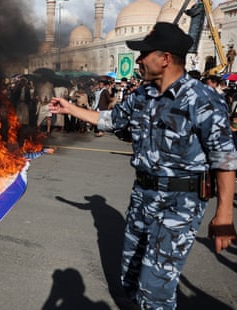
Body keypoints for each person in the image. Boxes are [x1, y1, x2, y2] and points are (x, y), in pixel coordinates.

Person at [49, 22, 237, 309]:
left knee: (155, 289)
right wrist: (69, 108)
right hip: (142, 196)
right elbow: (110, 121)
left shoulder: (202, 99)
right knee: (130, 278)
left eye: (144, 54)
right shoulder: (141, 96)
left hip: (179, 204)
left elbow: (224, 159)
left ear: (165, 58)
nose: (138, 60)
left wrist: (223, 216)